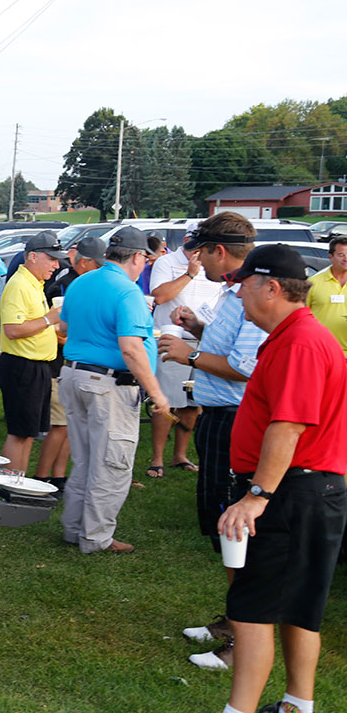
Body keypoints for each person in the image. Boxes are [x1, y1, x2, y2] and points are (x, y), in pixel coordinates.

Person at [216, 245, 347, 713]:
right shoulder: (293, 335)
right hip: (305, 490)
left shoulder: (301, 342)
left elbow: (288, 425)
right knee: (297, 609)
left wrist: (256, 495)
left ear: (271, 287)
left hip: (293, 493)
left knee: (251, 610)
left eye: (243, 287)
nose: (239, 298)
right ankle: (297, 704)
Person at [157, 213, 266, 671]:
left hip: (238, 420)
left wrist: (191, 354)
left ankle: (245, 636)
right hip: (219, 417)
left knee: (236, 529)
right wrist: (199, 329)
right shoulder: (232, 292)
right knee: (221, 527)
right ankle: (233, 620)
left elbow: (246, 367)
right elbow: (231, 349)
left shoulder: (254, 296)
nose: (195, 258)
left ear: (220, 251)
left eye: (200, 250)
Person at [59, 226, 169, 554]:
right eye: (145, 260)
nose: (145, 266)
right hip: (108, 384)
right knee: (111, 464)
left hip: (74, 375)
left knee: (84, 460)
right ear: (137, 257)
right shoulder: (127, 291)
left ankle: (74, 529)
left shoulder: (82, 281)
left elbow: (64, 326)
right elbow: (132, 349)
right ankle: (95, 539)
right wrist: (158, 394)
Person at [146, 225, 222, 478]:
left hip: (203, 338)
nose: (199, 253)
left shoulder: (215, 265)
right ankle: (156, 458)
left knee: (192, 404)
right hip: (171, 336)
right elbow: (160, 295)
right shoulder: (167, 262)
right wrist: (190, 274)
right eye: (195, 247)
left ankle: (180, 454)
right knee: (166, 401)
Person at [33, 237, 106, 490]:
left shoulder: (90, 285)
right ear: (84, 262)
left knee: (70, 427)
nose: (102, 269)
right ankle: (42, 477)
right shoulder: (65, 286)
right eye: (98, 264)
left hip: (76, 363)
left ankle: (59, 476)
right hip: (60, 365)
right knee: (60, 426)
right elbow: (53, 328)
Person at [0, 231, 67, 474]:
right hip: (22, 366)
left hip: (35, 366)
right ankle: (10, 487)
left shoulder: (35, 283)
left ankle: (18, 483)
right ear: (33, 257)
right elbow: (13, 329)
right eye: (52, 259)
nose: (56, 266)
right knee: (19, 433)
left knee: (28, 433)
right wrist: (49, 320)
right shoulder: (20, 284)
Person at [304, 234, 347, 354]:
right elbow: (301, 316)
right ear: (331, 257)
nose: (345, 259)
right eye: (341, 255)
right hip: (320, 350)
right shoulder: (313, 283)